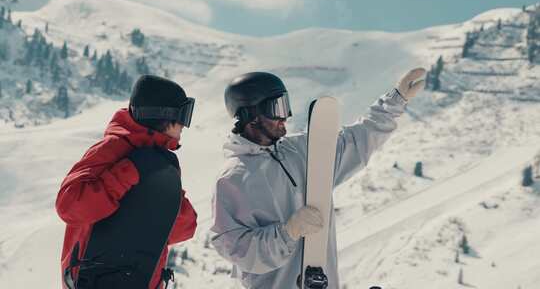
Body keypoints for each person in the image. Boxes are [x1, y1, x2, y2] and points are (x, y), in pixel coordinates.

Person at [210, 69, 426, 289]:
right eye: (276, 108)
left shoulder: (302, 150)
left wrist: (395, 100)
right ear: (250, 115)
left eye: (286, 105)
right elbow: (239, 250)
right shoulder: (233, 179)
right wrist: (287, 232)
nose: (285, 116)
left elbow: (357, 139)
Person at [56, 75, 198, 289]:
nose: (184, 127)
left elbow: (184, 229)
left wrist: (166, 195)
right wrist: (129, 172)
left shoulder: (163, 163)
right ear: (165, 116)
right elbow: (69, 206)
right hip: (92, 281)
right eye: (184, 117)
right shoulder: (111, 149)